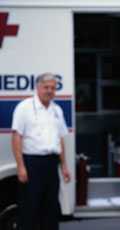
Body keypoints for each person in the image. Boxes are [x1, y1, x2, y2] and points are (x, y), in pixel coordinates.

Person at [11, 73, 71, 230]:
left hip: (52, 163)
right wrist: (20, 166)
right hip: (32, 163)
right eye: (46, 87)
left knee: (51, 208)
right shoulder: (24, 107)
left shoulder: (57, 110)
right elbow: (16, 137)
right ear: (38, 87)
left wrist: (64, 166)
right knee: (30, 208)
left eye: (53, 88)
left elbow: (60, 140)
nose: (50, 91)